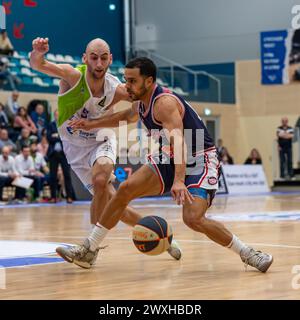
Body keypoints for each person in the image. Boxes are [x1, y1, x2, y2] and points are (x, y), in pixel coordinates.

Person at [69, 57, 273, 272]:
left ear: (148, 82)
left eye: (132, 81)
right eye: (125, 80)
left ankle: (249, 253)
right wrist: (91, 124)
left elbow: (180, 142)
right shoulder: (140, 102)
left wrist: (178, 180)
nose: (126, 86)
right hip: (169, 154)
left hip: (199, 157)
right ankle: (89, 249)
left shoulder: (164, 103)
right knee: (125, 189)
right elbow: (127, 115)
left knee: (193, 218)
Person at [30, 37, 181, 267]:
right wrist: (38, 53)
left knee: (101, 180)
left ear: (110, 59)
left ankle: (89, 248)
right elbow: (39, 65)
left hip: (101, 139)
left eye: (103, 58)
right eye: (94, 57)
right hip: (75, 149)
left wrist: (163, 100)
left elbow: (142, 99)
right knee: (115, 206)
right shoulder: (73, 76)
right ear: (85, 58)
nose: (99, 64)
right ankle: (163, 236)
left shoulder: (117, 89)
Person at [47, 110, 74, 203]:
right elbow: (49, 138)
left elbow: (67, 137)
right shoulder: (50, 125)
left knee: (67, 175)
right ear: (54, 116)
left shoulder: (66, 124)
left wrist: (56, 136)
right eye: (56, 115)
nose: (57, 116)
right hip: (53, 153)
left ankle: (69, 197)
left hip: (64, 154)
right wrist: (59, 137)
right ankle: (53, 197)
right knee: (52, 176)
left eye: (59, 115)